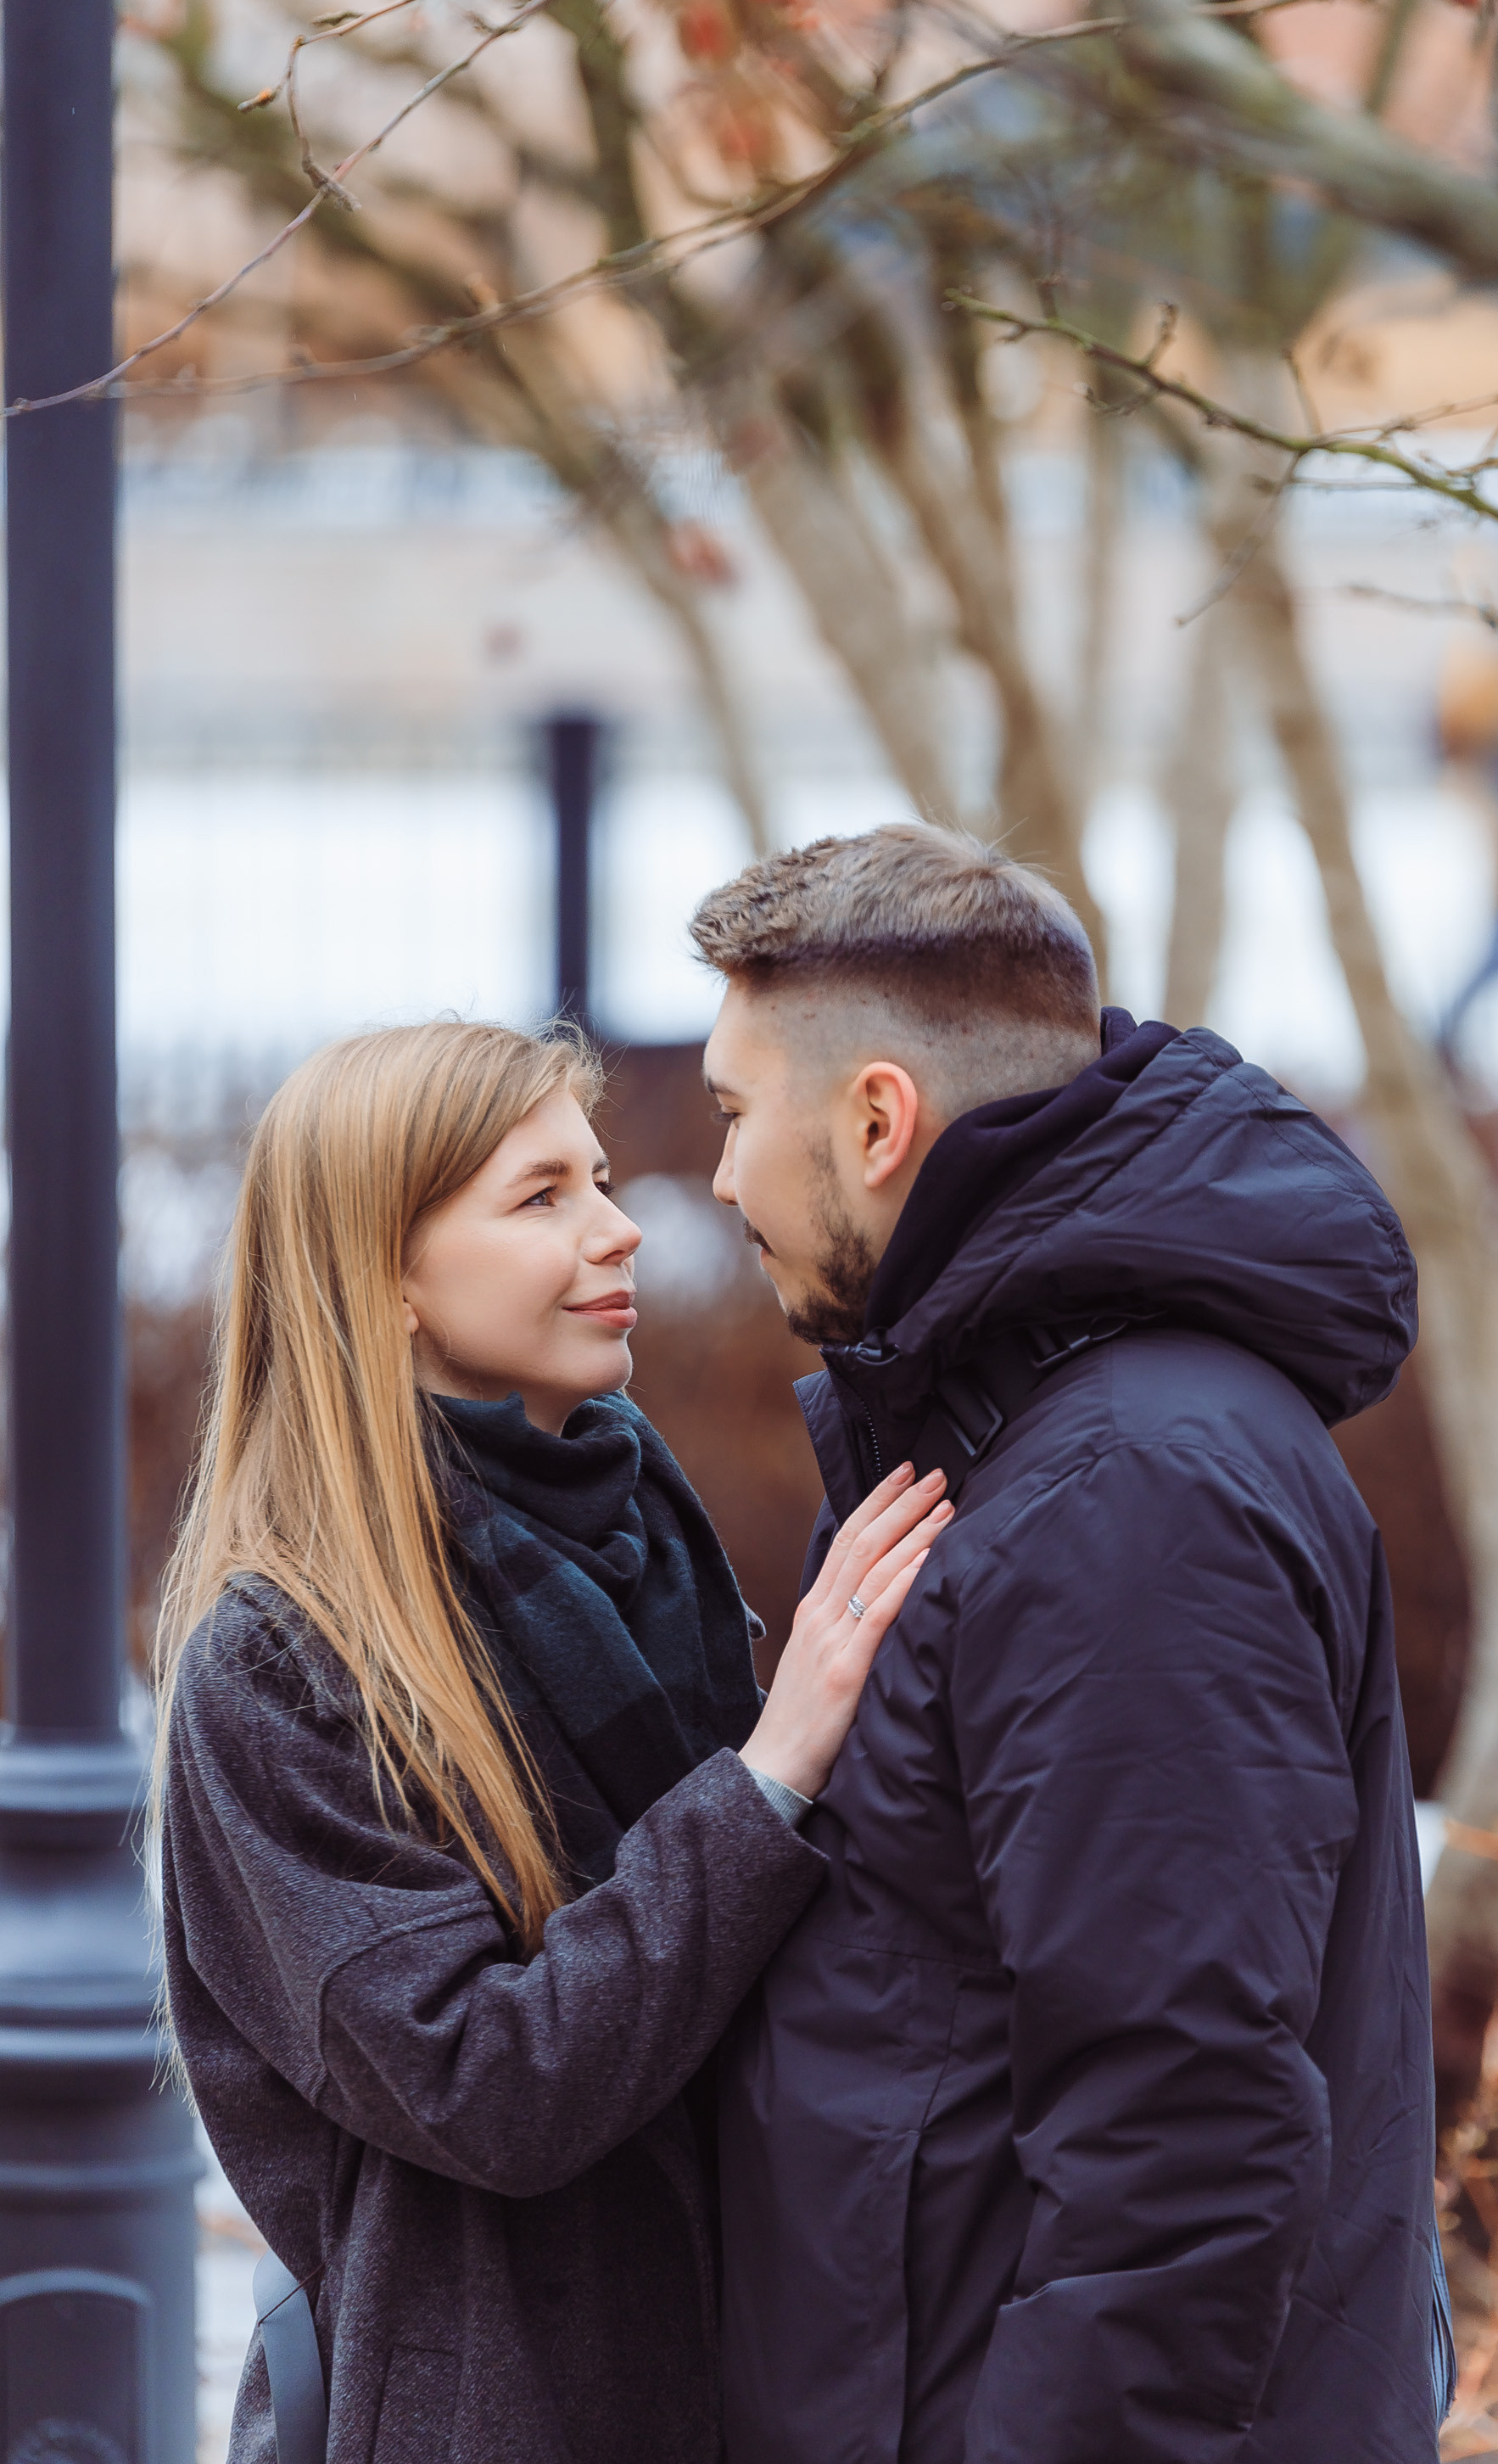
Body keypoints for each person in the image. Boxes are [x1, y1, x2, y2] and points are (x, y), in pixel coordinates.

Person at [695, 826, 1456, 2464]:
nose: (716, 1178)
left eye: (733, 1114)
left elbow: (1181, 2134)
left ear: (877, 1118)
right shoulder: (1012, 1431)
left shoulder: (1125, 1494)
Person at [153, 1019, 952, 2464]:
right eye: (540, 1199)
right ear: (381, 1273)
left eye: (597, 1178)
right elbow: (488, 2084)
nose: (617, 1228)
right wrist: (769, 1776)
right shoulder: (280, 1662)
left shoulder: (637, 1525)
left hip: (762, 2367)